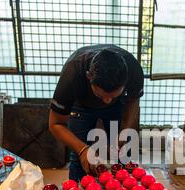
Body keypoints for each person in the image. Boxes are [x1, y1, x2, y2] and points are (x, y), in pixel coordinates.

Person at [49, 44, 144, 181]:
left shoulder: (133, 70)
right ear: (88, 77)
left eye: (113, 95)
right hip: (82, 105)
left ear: (126, 82)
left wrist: (125, 128)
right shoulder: (73, 73)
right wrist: (82, 149)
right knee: (81, 156)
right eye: (101, 96)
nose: (107, 101)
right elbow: (55, 124)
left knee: (123, 151)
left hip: (117, 106)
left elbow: (133, 100)